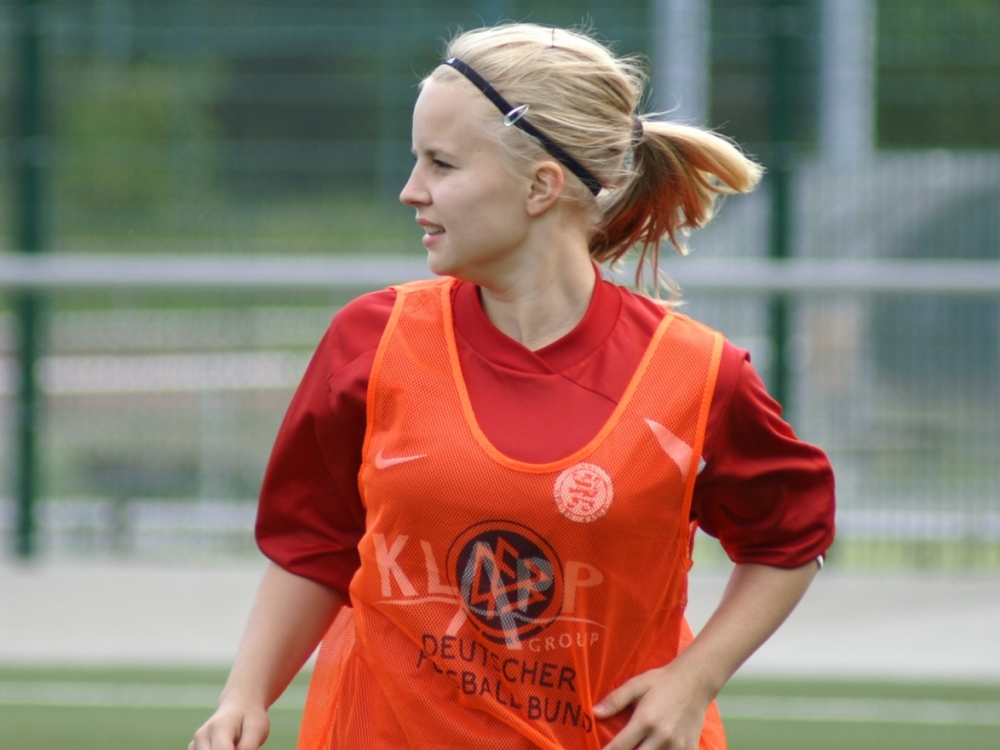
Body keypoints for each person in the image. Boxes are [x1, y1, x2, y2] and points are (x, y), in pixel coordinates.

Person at [190, 23, 834, 750]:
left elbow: (791, 537)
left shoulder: (696, 374)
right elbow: (315, 544)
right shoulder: (372, 341)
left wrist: (695, 679)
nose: (410, 191)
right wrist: (245, 697)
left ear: (540, 186)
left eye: (441, 164)